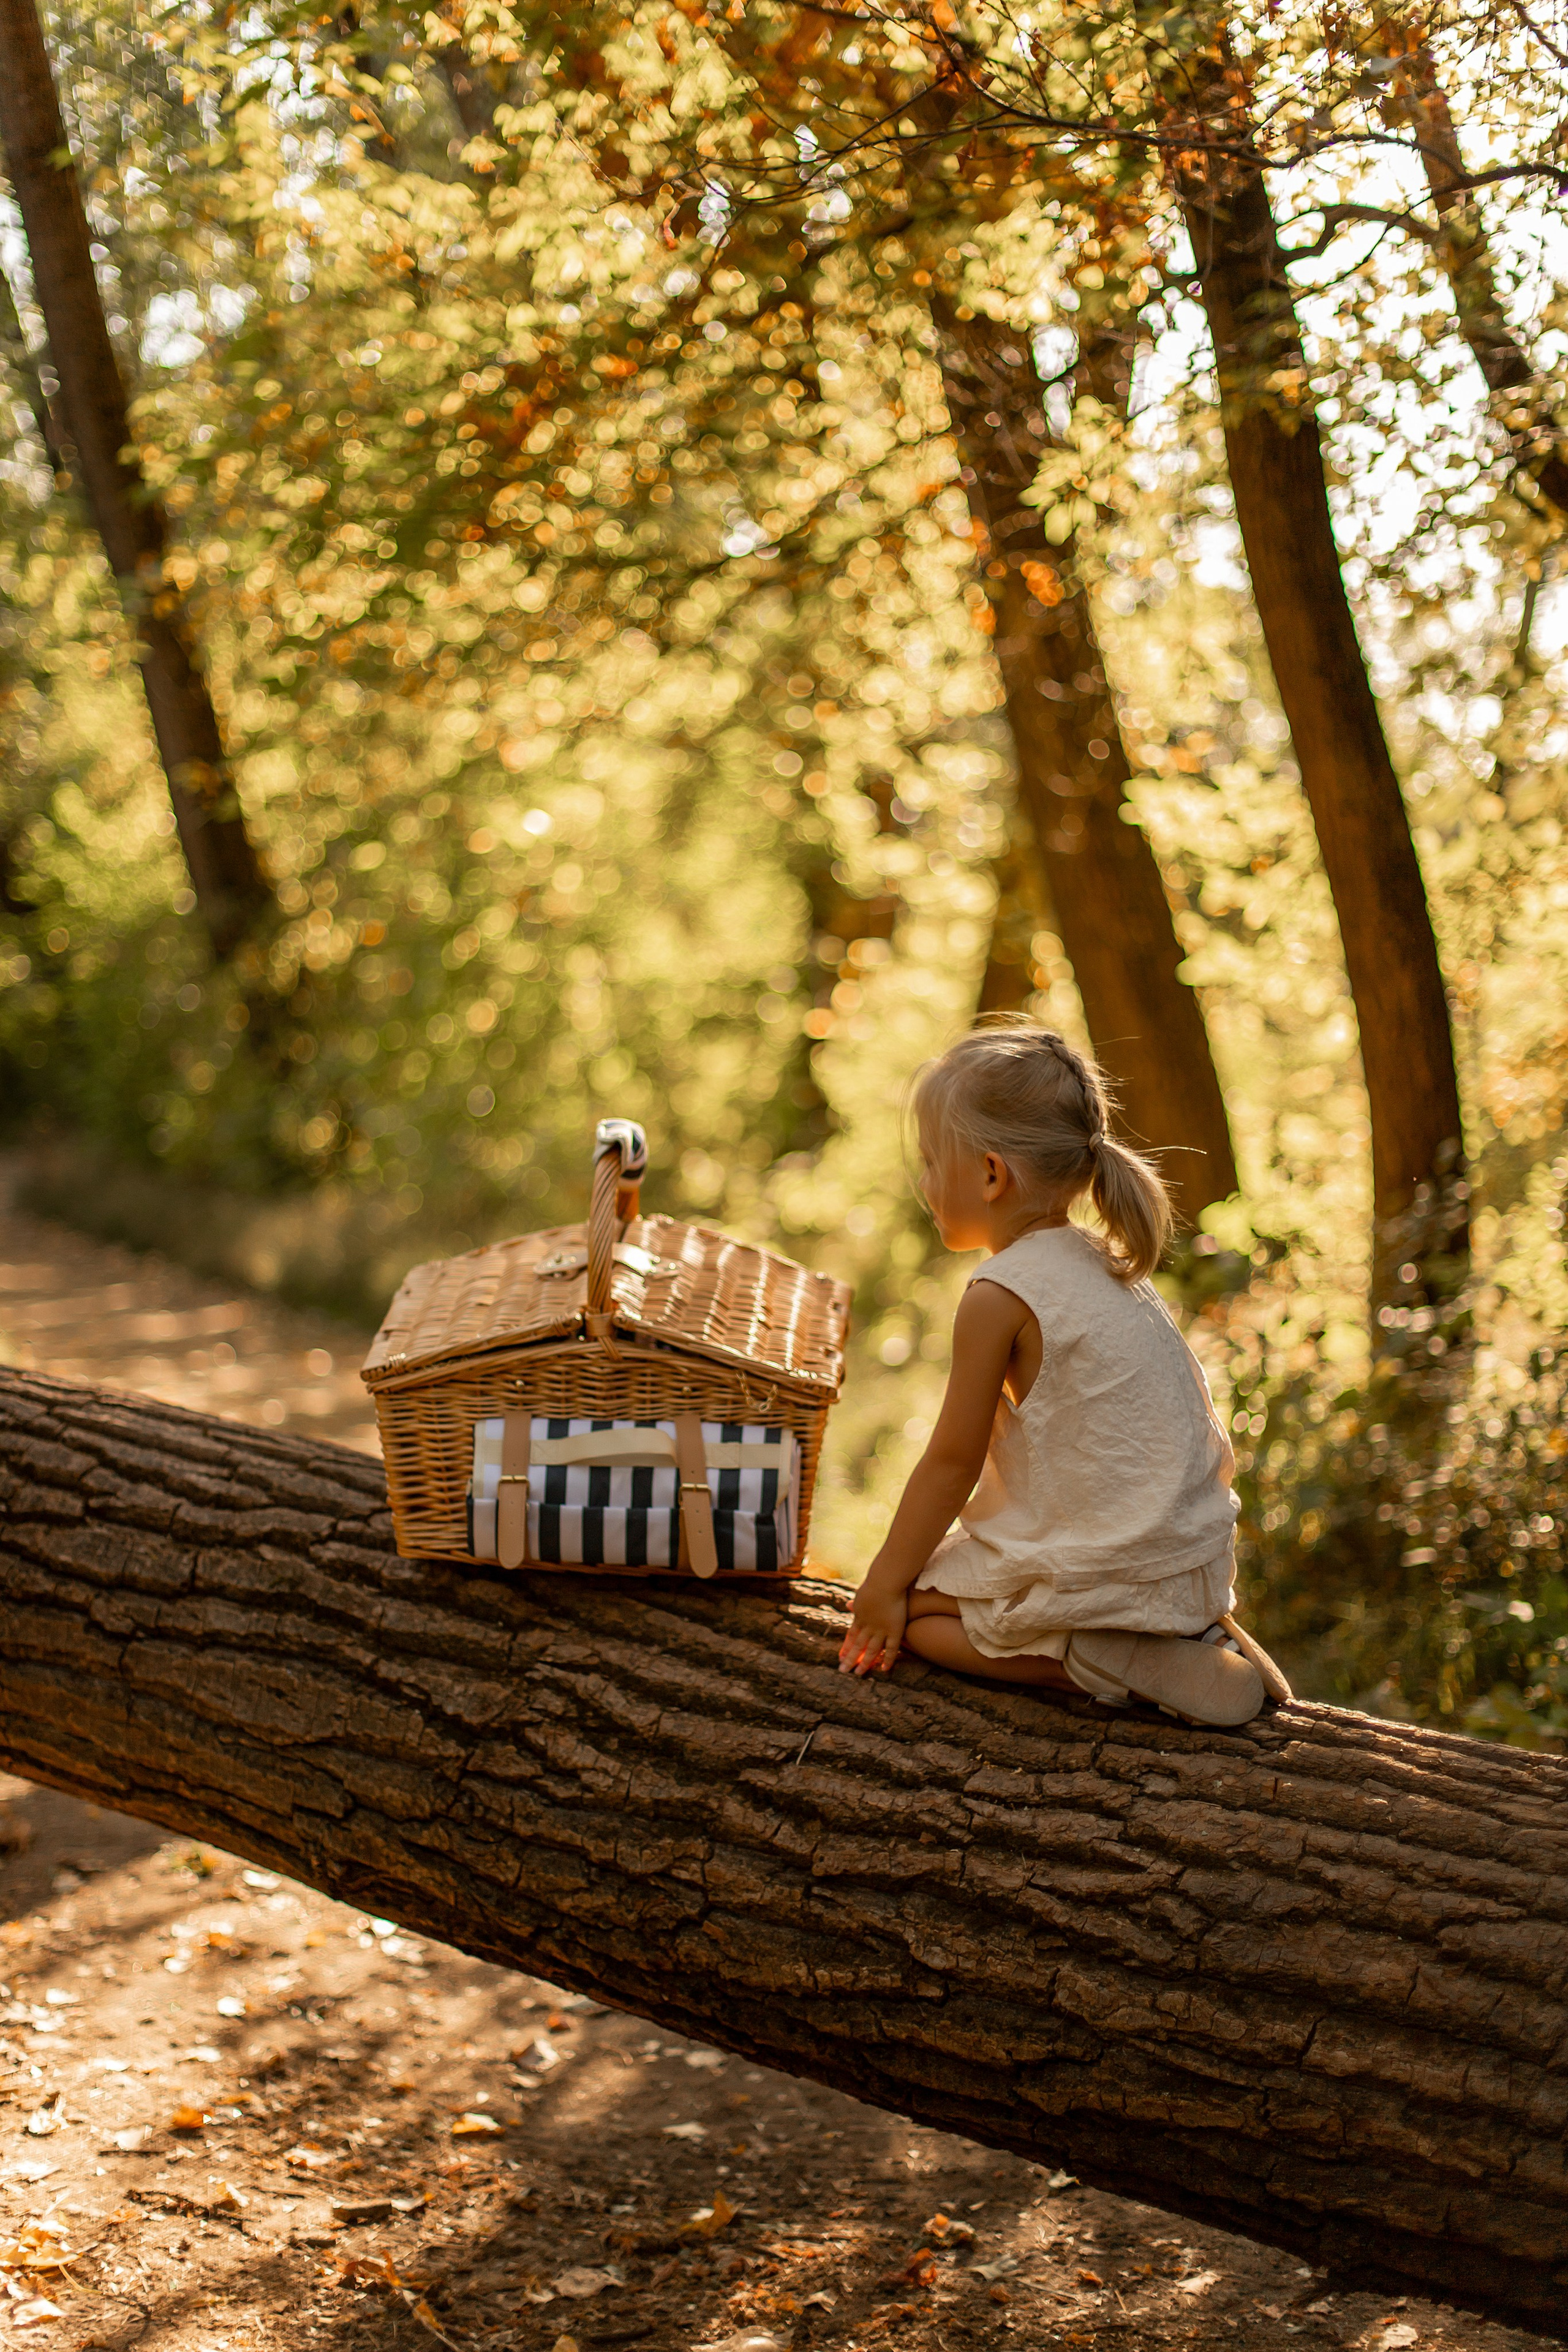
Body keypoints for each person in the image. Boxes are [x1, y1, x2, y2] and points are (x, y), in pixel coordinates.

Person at [837, 1022, 1289, 1726]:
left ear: (989, 1174)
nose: (924, 1182)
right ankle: (1179, 1640)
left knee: (915, 1613)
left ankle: (1092, 1663)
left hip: (1119, 1573)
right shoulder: (1109, 1265)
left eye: (931, 1161)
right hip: (1190, 1571)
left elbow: (951, 1463)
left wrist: (881, 1586)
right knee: (918, 1595)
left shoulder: (1000, 1293)